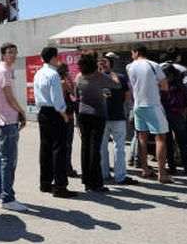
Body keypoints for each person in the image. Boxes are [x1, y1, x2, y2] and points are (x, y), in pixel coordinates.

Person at [33, 47, 77, 198]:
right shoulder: (53, 75)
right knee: (59, 149)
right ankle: (60, 186)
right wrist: (64, 114)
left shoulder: (38, 73)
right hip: (55, 113)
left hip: (43, 112)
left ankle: (45, 183)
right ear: (53, 58)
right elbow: (57, 99)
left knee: (45, 148)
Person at [75, 53, 121, 192]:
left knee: (85, 148)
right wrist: (111, 72)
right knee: (95, 149)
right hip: (97, 115)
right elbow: (117, 85)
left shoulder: (79, 77)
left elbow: (77, 93)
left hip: (83, 114)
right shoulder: (100, 77)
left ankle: (87, 181)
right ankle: (96, 183)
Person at [126, 44, 171, 183]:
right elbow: (165, 85)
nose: (131, 55)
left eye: (132, 52)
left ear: (136, 52)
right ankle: (162, 174)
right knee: (160, 138)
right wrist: (156, 86)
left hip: (138, 105)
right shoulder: (154, 65)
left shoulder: (129, 66)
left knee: (142, 138)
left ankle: (145, 169)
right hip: (153, 104)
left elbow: (133, 85)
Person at [0, 42, 27, 211]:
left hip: (4, 120)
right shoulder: (4, 71)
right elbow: (9, 97)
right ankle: (8, 198)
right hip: (7, 121)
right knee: (8, 160)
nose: (13, 55)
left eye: (15, 52)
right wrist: (22, 112)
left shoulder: (4, 70)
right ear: (2, 54)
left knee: (2, 158)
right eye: (9, 52)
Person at [99, 53, 137, 185]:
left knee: (103, 147)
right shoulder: (120, 77)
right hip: (117, 115)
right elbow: (127, 96)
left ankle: (104, 174)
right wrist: (125, 109)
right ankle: (119, 176)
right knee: (118, 147)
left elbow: (108, 95)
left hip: (103, 117)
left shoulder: (97, 78)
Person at [161, 64, 187, 176]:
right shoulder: (181, 86)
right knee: (183, 144)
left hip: (166, 116)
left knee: (168, 143)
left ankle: (172, 168)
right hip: (179, 116)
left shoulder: (162, 87)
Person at [56, 63, 78, 177]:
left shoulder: (55, 82)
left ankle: (61, 167)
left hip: (59, 115)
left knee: (60, 143)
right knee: (67, 143)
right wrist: (70, 80)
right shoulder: (63, 83)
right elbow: (73, 93)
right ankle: (67, 168)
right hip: (67, 116)